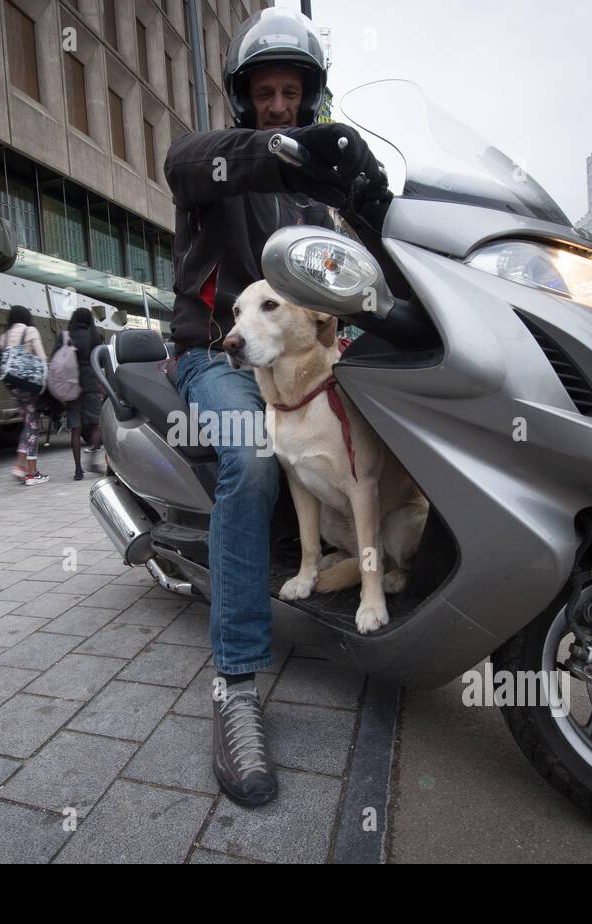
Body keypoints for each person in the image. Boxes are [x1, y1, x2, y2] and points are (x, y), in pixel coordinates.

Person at [164, 7, 378, 807]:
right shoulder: (220, 167)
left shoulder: (314, 207)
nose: (279, 104)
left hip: (301, 366)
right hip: (210, 357)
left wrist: (374, 197)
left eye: (292, 92)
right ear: (245, 99)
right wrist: (274, 154)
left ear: (311, 95)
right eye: (265, 92)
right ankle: (236, 687)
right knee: (252, 459)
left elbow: (356, 269)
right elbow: (180, 160)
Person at [0, 304, 50, 486]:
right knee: (33, 425)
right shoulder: (30, 331)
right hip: (28, 384)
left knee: (27, 424)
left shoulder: (4, 337)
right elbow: (42, 357)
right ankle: (31, 473)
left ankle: (19, 466)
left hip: (12, 384)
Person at [65, 307, 105, 480]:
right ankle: (93, 458)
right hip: (90, 384)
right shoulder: (94, 336)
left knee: (75, 428)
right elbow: (101, 361)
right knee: (97, 424)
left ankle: (77, 470)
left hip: (71, 385)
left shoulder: (65, 337)